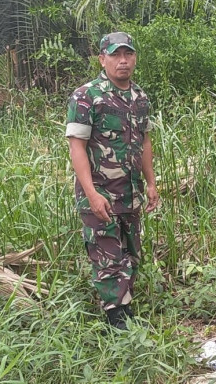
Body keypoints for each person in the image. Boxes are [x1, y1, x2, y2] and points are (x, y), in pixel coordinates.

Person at [66, 32, 160, 329]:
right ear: (102, 59)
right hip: (100, 192)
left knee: (131, 253)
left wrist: (152, 183)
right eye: (116, 55)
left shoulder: (140, 98)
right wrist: (92, 194)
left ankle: (126, 310)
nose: (123, 61)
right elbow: (76, 147)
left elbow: (144, 142)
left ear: (134, 58)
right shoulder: (86, 96)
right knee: (107, 256)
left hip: (130, 192)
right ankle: (118, 322)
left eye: (128, 54)